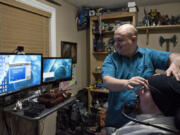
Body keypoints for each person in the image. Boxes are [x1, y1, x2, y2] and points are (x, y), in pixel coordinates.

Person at [101, 24, 180, 134]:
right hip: (116, 121)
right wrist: (126, 83)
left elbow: (176, 57)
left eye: (119, 40)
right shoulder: (111, 58)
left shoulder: (149, 55)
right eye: (114, 41)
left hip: (144, 121)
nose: (116, 44)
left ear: (133, 39)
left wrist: (175, 64)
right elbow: (107, 81)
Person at [112, 74, 180, 135]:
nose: (137, 92)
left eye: (144, 89)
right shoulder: (148, 124)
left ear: (160, 101)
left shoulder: (157, 133)